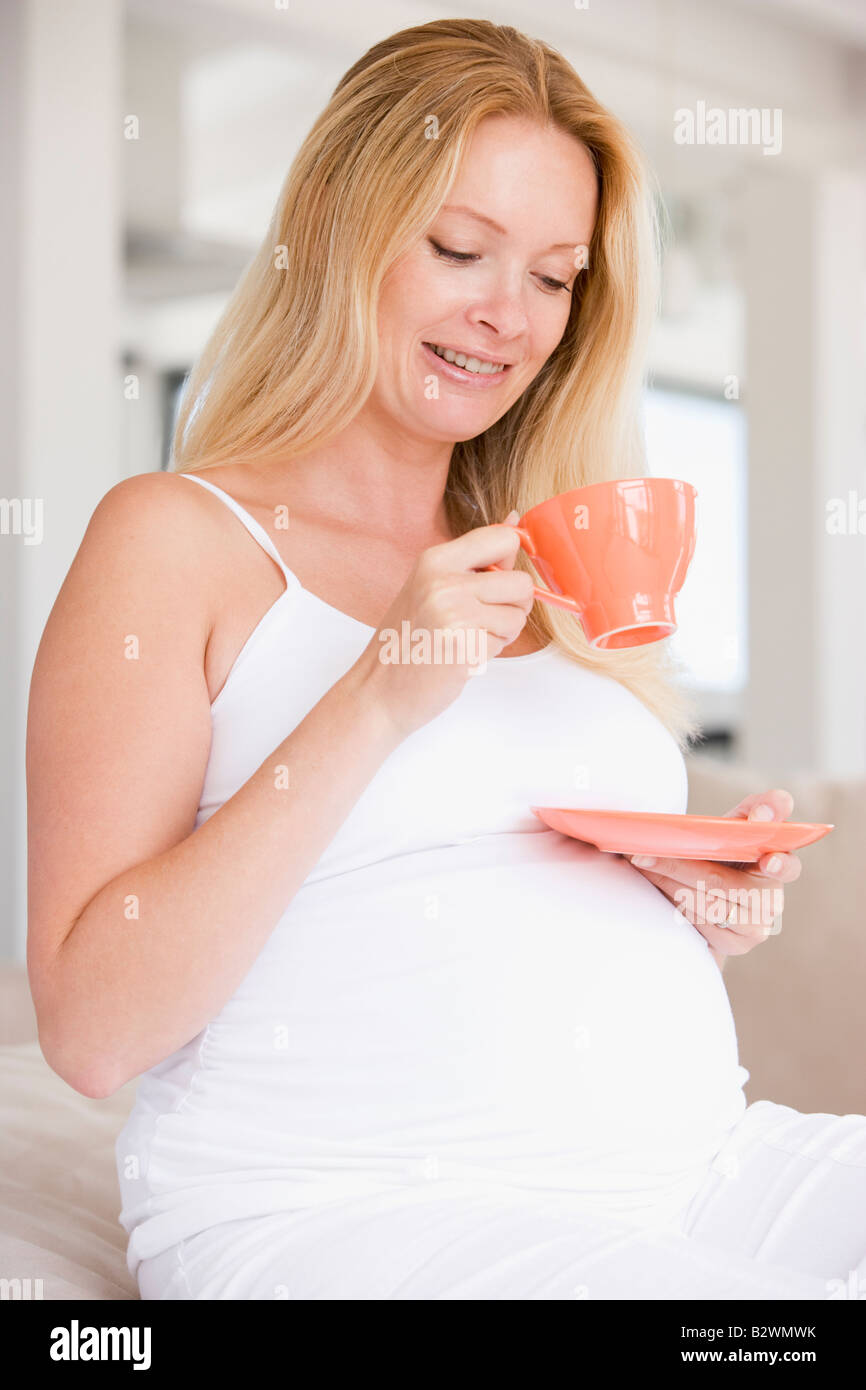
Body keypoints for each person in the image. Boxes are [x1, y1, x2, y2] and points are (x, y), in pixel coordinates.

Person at [27, 19, 865, 1300]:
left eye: (553, 274)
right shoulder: (178, 541)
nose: (505, 316)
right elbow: (92, 1029)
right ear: (342, 229)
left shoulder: (543, 554)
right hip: (347, 1205)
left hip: (697, 1169)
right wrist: (373, 698)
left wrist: (693, 899)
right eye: (460, 249)